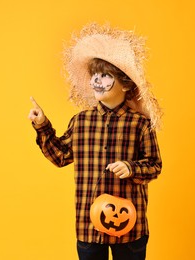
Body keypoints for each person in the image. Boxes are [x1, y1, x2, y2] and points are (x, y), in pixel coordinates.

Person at [28, 23, 162, 260]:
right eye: (95, 76)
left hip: (130, 227)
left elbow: (154, 165)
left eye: (106, 75)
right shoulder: (81, 121)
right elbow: (60, 156)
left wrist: (131, 168)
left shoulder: (139, 124)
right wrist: (42, 125)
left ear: (126, 83)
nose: (97, 81)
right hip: (88, 226)